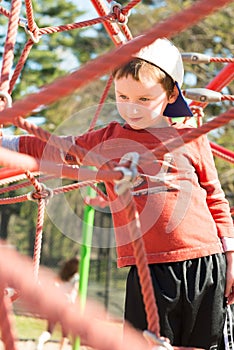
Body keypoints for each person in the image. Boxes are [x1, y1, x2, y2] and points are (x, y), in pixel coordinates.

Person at [1, 37, 234, 350]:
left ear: (169, 95)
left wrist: (231, 258)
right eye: (123, 96)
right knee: (146, 344)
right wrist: (8, 146)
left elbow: (215, 198)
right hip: (148, 268)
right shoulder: (108, 139)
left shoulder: (190, 138)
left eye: (143, 98)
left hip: (206, 262)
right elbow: (55, 148)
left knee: (206, 344)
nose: (131, 107)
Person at [36, 257, 79, 350]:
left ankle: (40, 341)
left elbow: (53, 284)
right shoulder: (76, 277)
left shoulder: (62, 275)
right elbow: (75, 291)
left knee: (49, 331)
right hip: (66, 307)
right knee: (65, 334)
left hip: (55, 305)